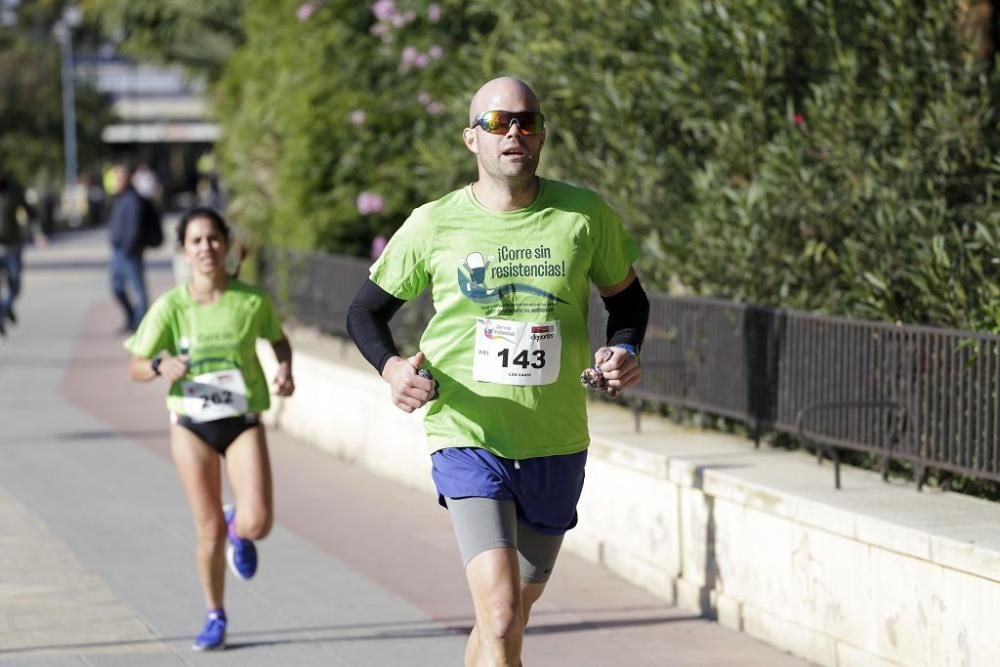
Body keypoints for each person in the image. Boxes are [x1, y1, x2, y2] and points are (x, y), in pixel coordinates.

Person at [346, 76, 649, 666]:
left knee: (506, 619)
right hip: (467, 435)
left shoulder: (582, 216)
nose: (515, 132)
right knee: (503, 612)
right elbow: (365, 311)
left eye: (527, 122)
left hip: (555, 441)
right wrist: (390, 370)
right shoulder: (435, 223)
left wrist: (626, 348)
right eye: (498, 122)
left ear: (541, 135)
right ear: (471, 138)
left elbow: (628, 302)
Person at [124, 207, 295, 651]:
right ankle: (215, 615)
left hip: (241, 419)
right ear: (183, 250)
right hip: (192, 424)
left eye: (213, 239)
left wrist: (285, 369)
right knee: (206, 530)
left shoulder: (251, 301)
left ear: (226, 243)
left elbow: (278, 338)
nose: (206, 248)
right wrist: (161, 364)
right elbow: (136, 365)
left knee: (258, 522)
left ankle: (239, 525)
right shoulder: (171, 307)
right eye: (196, 241)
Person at [107, 164, 157, 332]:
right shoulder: (121, 197)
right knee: (116, 288)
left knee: (138, 289)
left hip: (130, 252)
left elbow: (134, 228)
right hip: (118, 251)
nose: (116, 181)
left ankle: (141, 323)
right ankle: (132, 317)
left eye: (119, 178)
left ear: (127, 179)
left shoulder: (134, 199)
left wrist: (129, 248)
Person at [0, 171, 34, 335]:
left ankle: (5, 309)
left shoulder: (13, 190)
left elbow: (29, 211)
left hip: (13, 246)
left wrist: (37, 231)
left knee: (15, 286)